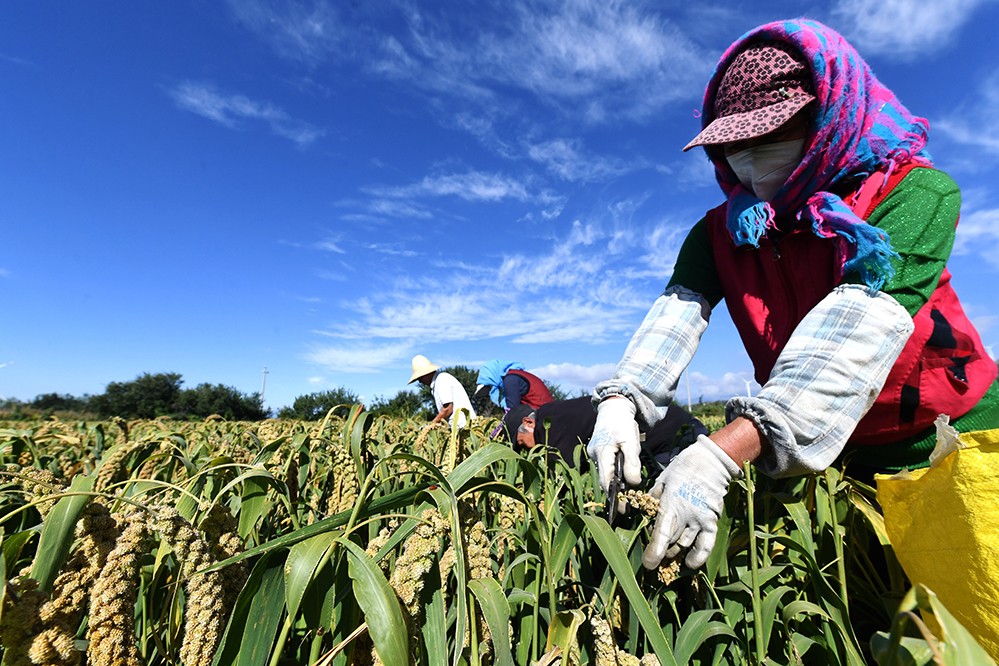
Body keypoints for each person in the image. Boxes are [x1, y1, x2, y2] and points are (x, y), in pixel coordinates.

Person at [586, 18, 999, 573]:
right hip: (826, 461)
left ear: (828, 116)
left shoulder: (912, 194)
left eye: (770, 137)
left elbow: (854, 332)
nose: (750, 162)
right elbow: (674, 318)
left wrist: (719, 455)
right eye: (736, 146)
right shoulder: (721, 235)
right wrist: (621, 401)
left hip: (947, 442)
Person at [503, 396, 707, 471]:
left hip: (672, 435)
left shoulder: (553, 425)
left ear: (528, 423)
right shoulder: (555, 412)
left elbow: (563, 470)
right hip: (666, 431)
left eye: (521, 443)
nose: (525, 451)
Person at [408, 354, 476, 429]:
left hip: (463, 427)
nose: (420, 382)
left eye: (420, 378)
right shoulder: (437, 383)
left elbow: (448, 409)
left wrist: (430, 426)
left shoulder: (441, 380)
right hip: (457, 428)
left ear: (426, 374)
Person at [474, 360, 555, 412]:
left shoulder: (511, 380)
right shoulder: (512, 376)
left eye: (489, 386)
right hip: (542, 411)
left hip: (544, 414)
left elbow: (513, 411)